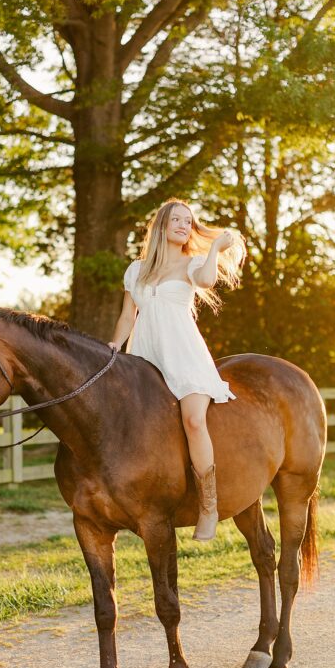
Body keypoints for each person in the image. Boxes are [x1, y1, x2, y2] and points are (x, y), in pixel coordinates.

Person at [109, 198, 246, 540]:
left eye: (189, 221)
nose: (184, 225)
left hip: (185, 356)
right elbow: (128, 316)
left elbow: (207, 280)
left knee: (193, 421)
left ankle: (208, 507)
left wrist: (214, 247)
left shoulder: (192, 264)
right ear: (162, 225)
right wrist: (113, 347)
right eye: (177, 219)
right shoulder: (135, 270)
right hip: (145, 356)